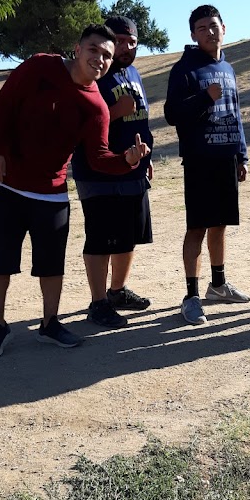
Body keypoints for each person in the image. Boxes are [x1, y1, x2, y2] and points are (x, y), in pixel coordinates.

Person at [0, 24, 150, 361]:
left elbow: (99, 157)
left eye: (107, 56)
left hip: (52, 192)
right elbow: (3, 105)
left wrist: (126, 161)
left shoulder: (97, 107)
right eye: (94, 50)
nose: (99, 59)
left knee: (51, 265)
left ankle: (49, 324)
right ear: (77, 48)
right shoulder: (40, 66)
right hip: (7, 184)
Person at [164, 4, 250, 325]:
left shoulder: (228, 68)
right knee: (197, 228)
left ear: (224, 28)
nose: (210, 32)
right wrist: (204, 97)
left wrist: (241, 155)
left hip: (226, 159)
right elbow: (172, 113)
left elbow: (236, 113)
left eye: (214, 26)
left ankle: (218, 285)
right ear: (193, 35)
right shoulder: (185, 69)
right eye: (202, 28)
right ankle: (190, 296)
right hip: (199, 161)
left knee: (220, 225)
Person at [71, 16, 153, 328]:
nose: (125, 48)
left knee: (127, 236)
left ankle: (117, 291)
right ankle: (98, 303)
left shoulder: (132, 72)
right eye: (119, 41)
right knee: (100, 238)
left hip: (134, 168)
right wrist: (116, 112)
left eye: (131, 42)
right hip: (97, 172)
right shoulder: (91, 75)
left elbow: (141, 121)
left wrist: (147, 159)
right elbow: (77, 126)